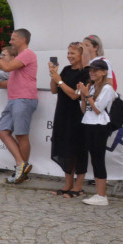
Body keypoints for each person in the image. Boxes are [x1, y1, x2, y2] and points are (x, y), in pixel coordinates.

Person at [0, 29, 38, 184]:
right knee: (2, 132)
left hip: (24, 99)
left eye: (13, 39)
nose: (11, 41)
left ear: (22, 39)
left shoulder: (28, 54)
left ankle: (21, 172)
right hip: (14, 99)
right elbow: (13, 78)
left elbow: (6, 68)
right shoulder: (21, 56)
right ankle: (21, 165)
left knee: (21, 135)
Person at [47, 42, 89, 197]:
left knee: (78, 148)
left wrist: (59, 80)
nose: (69, 56)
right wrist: (53, 75)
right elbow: (53, 90)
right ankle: (68, 183)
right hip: (62, 112)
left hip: (77, 114)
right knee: (64, 147)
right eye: (68, 53)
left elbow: (75, 95)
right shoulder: (65, 70)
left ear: (81, 55)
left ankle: (78, 186)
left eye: (73, 53)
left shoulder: (86, 73)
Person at [78, 60, 115, 207]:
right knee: (93, 159)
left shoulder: (107, 88)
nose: (92, 73)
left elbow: (98, 109)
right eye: (91, 70)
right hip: (88, 123)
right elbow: (84, 110)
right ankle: (99, 193)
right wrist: (83, 96)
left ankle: (101, 195)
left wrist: (87, 96)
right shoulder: (92, 87)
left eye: (96, 70)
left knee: (98, 159)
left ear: (104, 72)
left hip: (100, 125)